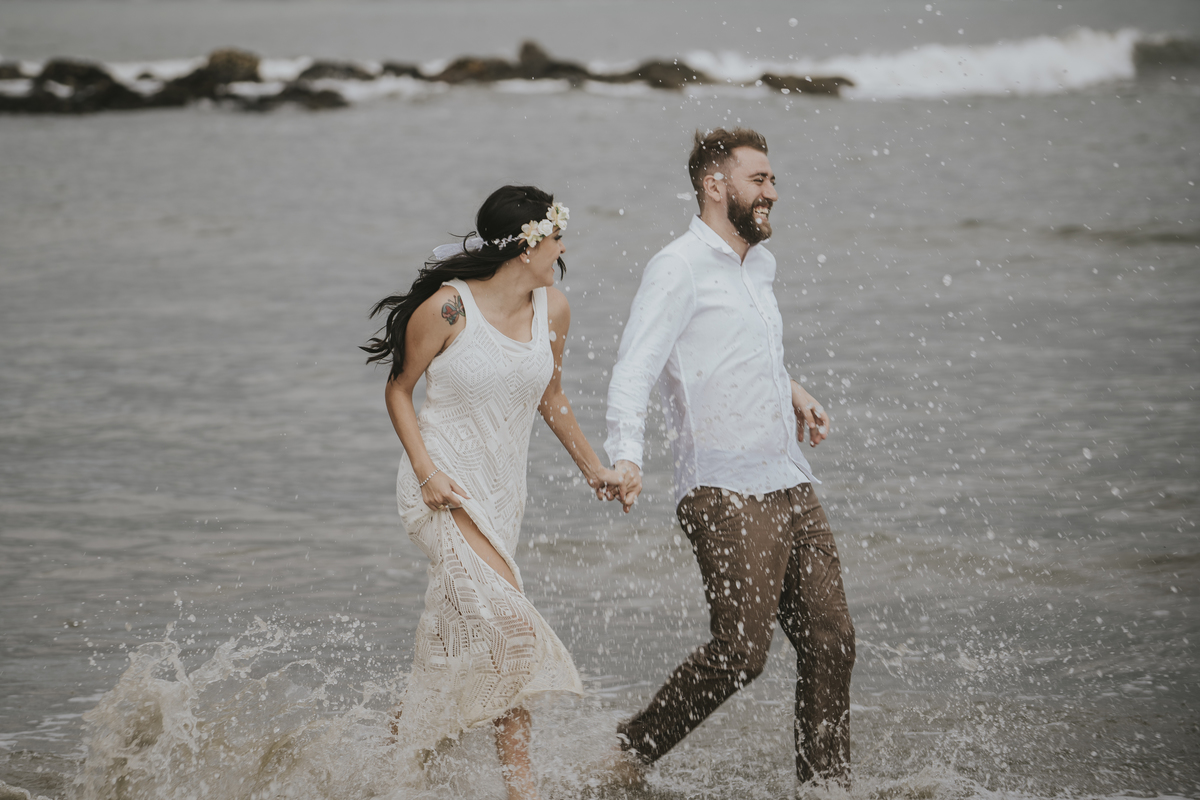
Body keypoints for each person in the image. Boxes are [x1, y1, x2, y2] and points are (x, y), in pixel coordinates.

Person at [604, 128, 857, 787]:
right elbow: (635, 368)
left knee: (832, 643)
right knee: (742, 654)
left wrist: (794, 391)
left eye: (773, 180)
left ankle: (826, 788)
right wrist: (626, 457)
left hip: (789, 479)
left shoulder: (758, 265)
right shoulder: (677, 267)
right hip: (724, 490)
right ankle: (629, 752)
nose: (772, 192)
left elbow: (744, 351)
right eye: (759, 180)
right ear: (715, 186)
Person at [363, 185, 625, 800]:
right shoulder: (449, 309)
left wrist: (596, 469)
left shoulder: (553, 309)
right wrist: (426, 472)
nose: (563, 248)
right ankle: (520, 790)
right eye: (556, 236)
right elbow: (398, 389)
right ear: (526, 246)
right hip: (443, 489)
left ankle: (389, 770)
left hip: (504, 497)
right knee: (512, 630)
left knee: (454, 647)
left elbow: (551, 396)